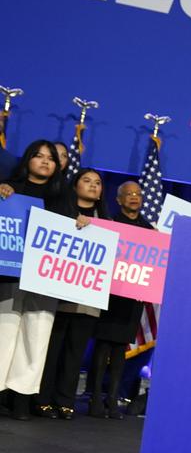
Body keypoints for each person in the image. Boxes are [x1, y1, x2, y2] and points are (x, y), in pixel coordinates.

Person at [34, 168, 109, 420]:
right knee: (52, 349)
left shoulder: (107, 221)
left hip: (89, 298)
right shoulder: (60, 213)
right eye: (86, 181)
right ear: (75, 186)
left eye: (97, 183)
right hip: (58, 295)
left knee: (75, 351)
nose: (92, 186)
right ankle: (42, 399)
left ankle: (65, 401)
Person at [0, 140, 66, 421]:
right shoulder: (9, 190)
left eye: (50, 158)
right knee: (4, 332)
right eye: (38, 156)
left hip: (44, 279)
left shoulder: (62, 197)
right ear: (27, 160)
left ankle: (22, 399)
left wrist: (81, 222)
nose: (44, 161)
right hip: (10, 274)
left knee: (36, 336)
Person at [90, 181, 153, 419]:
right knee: (102, 346)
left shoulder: (149, 230)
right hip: (109, 295)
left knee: (120, 350)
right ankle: (96, 396)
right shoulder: (110, 224)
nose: (134, 197)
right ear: (119, 199)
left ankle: (112, 399)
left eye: (138, 194)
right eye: (129, 194)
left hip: (132, 299)